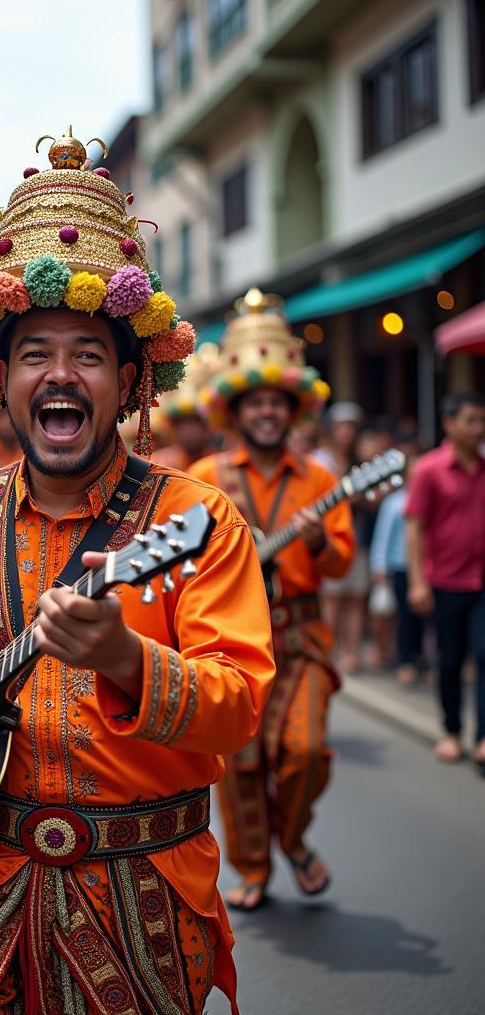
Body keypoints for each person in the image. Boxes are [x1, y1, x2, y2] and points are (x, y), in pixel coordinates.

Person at [0, 133, 275, 1015]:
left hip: (138, 886)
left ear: (129, 382)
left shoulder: (198, 520)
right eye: (35, 353)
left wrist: (127, 659)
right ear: (0, 378)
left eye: (87, 353)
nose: (59, 373)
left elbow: (240, 703)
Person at [191, 288, 353, 911]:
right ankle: (254, 868)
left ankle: (292, 839)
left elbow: (341, 564)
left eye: (275, 403)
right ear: (237, 409)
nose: (265, 412)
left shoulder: (319, 478)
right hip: (231, 634)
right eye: (254, 402)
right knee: (241, 765)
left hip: (302, 635)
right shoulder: (207, 476)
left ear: (291, 410)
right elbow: (183, 558)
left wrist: (313, 543)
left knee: (305, 751)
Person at [404, 391, 485, 769]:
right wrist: (418, 582)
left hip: (481, 582)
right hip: (446, 581)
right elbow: (415, 528)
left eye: (481, 420)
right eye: (470, 420)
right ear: (449, 424)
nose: (478, 428)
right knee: (450, 660)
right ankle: (452, 731)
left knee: (483, 657)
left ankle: (483, 736)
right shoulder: (429, 469)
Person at [314, 401, 369, 674]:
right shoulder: (318, 462)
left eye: (351, 426)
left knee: (356, 597)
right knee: (332, 598)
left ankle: (351, 652)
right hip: (327, 539)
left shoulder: (360, 460)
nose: (347, 432)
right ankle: (328, 649)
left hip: (356, 536)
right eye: (342, 426)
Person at [369, 434, 425, 685]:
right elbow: (382, 536)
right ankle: (403, 660)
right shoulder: (393, 502)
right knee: (403, 615)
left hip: (427, 567)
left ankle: (419, 659)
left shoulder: (428, 499)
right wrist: (379, 564)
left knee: (422, 617)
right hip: (399, 566)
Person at [149, 345, 219, 470]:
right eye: (182, 423)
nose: (189, 431)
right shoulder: (156, 464)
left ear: (207, 425)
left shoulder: (219, 466)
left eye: (194, 422)